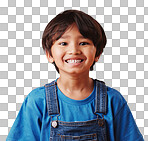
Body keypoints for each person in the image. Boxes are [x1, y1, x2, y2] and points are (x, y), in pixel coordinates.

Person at [6, 10, 144, 141]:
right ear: (49, 54)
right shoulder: (37, 101)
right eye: (63, 43)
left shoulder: (112, 100)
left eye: (83, 43)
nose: (74, 50)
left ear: (97, 54)